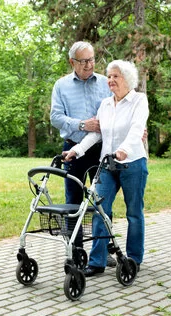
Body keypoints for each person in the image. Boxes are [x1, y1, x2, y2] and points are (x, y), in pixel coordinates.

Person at [63, 59, 149, 277]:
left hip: (132, 163)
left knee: (134, 213)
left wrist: (124, 149)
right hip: (107, 165)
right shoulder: (105, 104)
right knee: (100, 211)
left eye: (115, 76)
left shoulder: (139, 100)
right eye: (109, 76)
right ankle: (97, 261)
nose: (110, 80)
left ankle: (133, 259)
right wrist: (77, 150)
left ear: (127, 79)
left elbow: (137, 129)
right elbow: (96, 133)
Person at [50, 41, 116, 267]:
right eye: (84, 61)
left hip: (101, 151)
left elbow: (119, 109)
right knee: (73, 202)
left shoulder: (105, 83)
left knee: (102, 202)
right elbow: (55, 117)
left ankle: (103, 250)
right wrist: (82, 125)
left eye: (92, 59)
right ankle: (76, 251)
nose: (89, 64)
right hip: (73, 151)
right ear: (72, 62)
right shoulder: (61, 85)